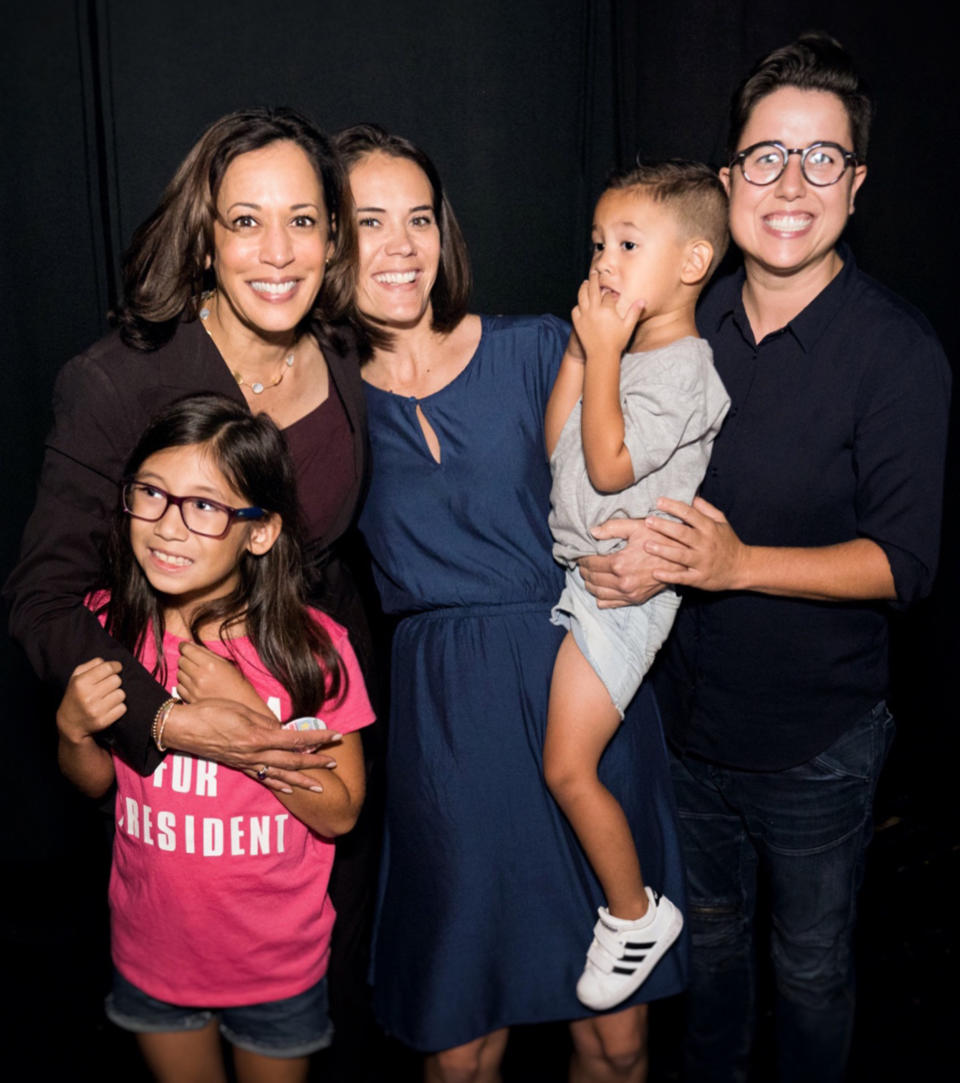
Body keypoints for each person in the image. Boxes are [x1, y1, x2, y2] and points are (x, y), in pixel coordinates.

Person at [577, 34, 951, 1083]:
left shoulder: (896, 353)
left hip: (816, 747)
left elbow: (904, 565)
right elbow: (610, 473)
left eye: (822, 158)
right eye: (767, 158)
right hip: (679, 726)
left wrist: (739, 565)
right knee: (709, 953)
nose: (792, 184)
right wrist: (615, 555)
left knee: (812, 969)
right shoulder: (671, 325)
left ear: (857, 183)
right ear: (729, 180)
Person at [4, 106, 379, 1069]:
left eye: (303, 219)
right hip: (168, 783)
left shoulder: (340, 355)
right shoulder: (119, 380)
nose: (279, 250)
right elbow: (43, 600)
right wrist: (166, 718)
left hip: (311, 719)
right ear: (204, 239)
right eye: (245, 221)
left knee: (308, 999)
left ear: (334, 236)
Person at [333, 122, 687, 1083]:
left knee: (615, 1037)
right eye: (370, 222)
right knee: (461, 1034)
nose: (402, 246)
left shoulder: (544, 350)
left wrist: (666, 549)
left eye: (419, 218)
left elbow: (657, 458)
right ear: (326, 240)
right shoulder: (326, 410)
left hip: (582, 680)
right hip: (449, 726)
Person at [56, 394, 374, 1083]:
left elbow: (342, 808)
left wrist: (253, 722)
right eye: (152, 494)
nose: (169, 527)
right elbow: (94, 783)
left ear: (258, 532)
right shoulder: (108, 626)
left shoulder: (311, 649)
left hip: (275, 965)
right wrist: (73, 728)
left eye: (205, 506)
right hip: (151, 955)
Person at [543, 161, 730, 1011]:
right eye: (597, 244)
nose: (604, 261)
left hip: (627, 600)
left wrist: (608, 351)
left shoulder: (685, 370)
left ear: (692, 263)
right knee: (563, 763)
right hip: (586, 584)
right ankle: (630, 910)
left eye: (627, 243)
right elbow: (562, 447)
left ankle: (636, 916)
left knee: (569, 768)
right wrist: (585, 352)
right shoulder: (619, 356)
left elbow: (613, 462)